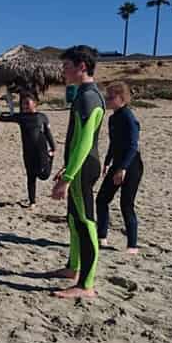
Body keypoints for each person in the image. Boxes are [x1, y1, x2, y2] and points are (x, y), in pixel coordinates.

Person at [49, 46, 106, 299]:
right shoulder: (85, 94)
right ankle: (73, 268)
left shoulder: (89, 97)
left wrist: (69, 177)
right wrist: (65, 167)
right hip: (78, 165)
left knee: (85, 222)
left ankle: (86, 285)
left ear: (82, 66)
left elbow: (84, 142)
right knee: (74, 219)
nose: (63, 70)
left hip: (83, 168)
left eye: (67, 66)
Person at [96, 82, 143, 254]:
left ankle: (132, 245)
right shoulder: (112, 118)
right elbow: (113, 143)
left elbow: (133, 145)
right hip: (117, 164)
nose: (107, 100)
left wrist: (122, 168)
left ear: (121, 98)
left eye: (110, 97)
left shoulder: (128, 117)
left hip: (131, 165)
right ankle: (102, 236)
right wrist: (108, 161)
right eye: (106, 96)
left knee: (126, 204)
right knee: (101, 200)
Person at [0, 91, 56, 207]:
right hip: (28, 152)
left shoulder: (42, 117)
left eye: (27, 103)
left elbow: (48, 133)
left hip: (41, 150)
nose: (25, 106)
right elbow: (1, 118)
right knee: (31, 176)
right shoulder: (21, 117)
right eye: (23, 104)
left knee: (44, 176)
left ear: (35, 104)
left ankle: (50, 158)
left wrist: (53, 148)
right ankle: (32, 202)